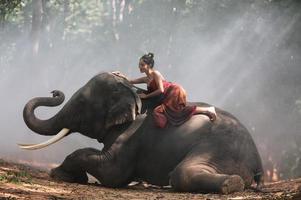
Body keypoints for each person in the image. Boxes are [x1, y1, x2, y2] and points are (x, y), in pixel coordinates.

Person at [113, 53, 217, 128]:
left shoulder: (156, 74)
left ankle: (208, 110)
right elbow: (130, 81)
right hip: (168, 94)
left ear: (148, 66)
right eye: (139, 64)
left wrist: (146, 96)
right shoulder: (145, 79)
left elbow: (161, 90)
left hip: (174, 91)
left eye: (142, 65)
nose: (139, 67)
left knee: (176, 111)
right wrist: (121, 75)